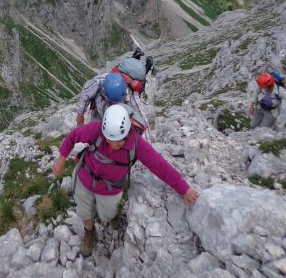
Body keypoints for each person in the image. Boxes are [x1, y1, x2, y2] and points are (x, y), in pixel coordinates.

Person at [53, 104, 199, 257]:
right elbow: (73, 136)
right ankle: (89, 232)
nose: (113, 145)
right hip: (85, 178)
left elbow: (159, 165)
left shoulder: (136, 144)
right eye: (109, 140)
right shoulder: (96, 130)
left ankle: (111, 214)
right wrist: (61, 158)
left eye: (118, 141)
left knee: (106, 216)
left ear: (128, 132)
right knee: (84, 211)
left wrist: (183, 188)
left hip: (109, 188)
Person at [75, 71, 144, 127]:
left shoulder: (132, 94)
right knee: (94, 131)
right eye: (112, 101)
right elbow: (86, 94)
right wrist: (80, 114)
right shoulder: (99, 81)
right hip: (99, 112)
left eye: (116, 102)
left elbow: (142, 119)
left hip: (117, 118)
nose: (114, 104)